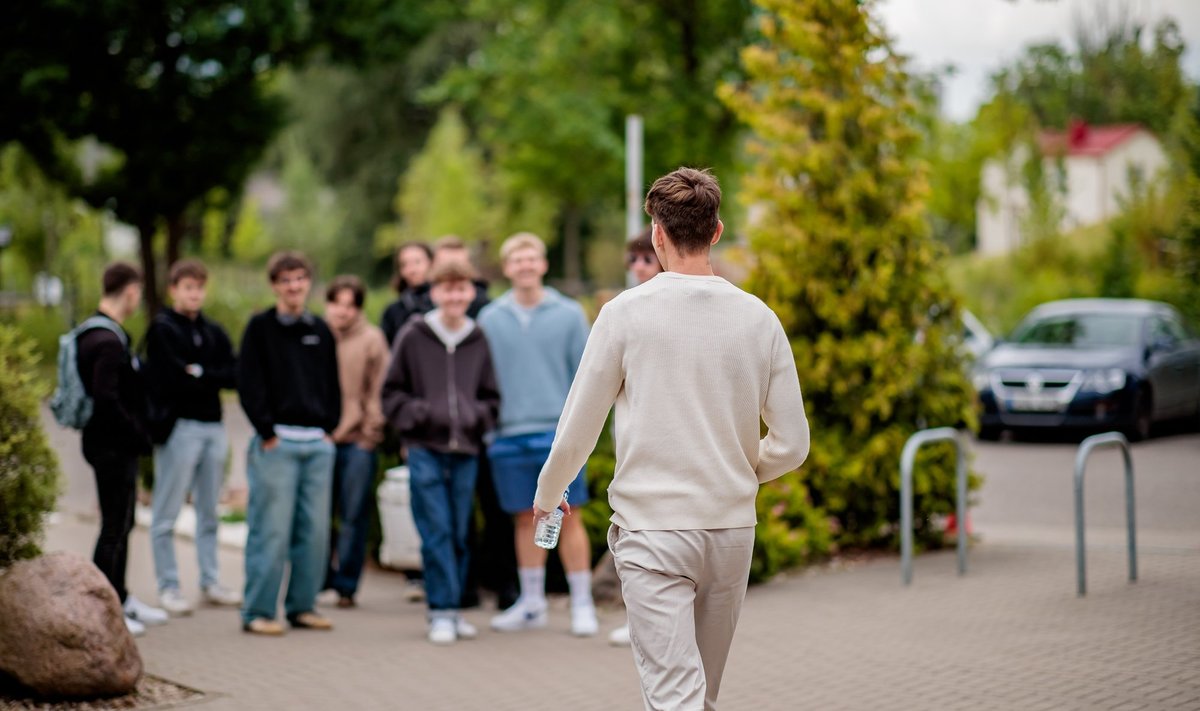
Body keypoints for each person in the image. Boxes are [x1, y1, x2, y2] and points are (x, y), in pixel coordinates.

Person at [532, 168, 810, 710]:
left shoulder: (623, 314)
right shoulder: (760, 319)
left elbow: (576, 434)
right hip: (731, 529)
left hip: (653, 530)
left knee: (675, 698)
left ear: (656, 234)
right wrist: (735, 471)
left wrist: (547, 497)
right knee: (699, 697)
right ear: (717, 231)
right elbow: (793, 442)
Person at [478, 232, 598, 637]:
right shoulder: (490, 319)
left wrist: (577, 435)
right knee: (523, 521)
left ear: (543, 265)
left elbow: (586, 378)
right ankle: (532, 604)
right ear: (507, 267)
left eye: (532, 259)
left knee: (571, 516)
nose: (525, 266)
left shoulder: (569, 315)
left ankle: (582, 604)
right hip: (508, 435)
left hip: (558, 437)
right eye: (517, 260)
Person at [381, 260, 500, 644]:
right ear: (434, 293)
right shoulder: (414, 335)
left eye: (461, 288)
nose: (454, 296)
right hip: (424, 448)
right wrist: (420, 415)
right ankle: (441, 612)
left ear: (470, 292)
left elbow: (491, 397)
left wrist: (475, 418)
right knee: (436, 530)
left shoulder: (477, 336)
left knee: (461, 531)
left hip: (465, 448)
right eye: (446, 289)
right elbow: (391, 393)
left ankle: (454, 609)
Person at [237, 251, 341, 635]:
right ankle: (258, 611)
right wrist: (267, 432)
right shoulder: (260, 328)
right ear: (275, 285)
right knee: (272, 530)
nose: (293, 286)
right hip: (276, 445)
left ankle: (302, 606)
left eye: (299, 278)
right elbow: (247, 384)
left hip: (317, 444)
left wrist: (329, 428)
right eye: (285, 280)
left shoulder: (321, 330)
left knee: (314, 534)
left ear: (308, 283)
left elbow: (332, 384)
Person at [144, 259, 241, 617]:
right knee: (166, 512)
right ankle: (168, 585)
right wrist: (202, 376)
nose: (194, 293)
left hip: (213, 428)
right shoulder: (163, 330)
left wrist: (199, 372)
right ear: (174, 290)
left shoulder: (213, 331)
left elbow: (233, 374)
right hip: (179, 428)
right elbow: (170, 378)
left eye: (199, 287)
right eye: (188, 287)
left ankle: (211, 579)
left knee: (208, 510)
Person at [77, 262, 166, 636]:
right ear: (131, 291)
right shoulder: (108, 342)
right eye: (139, 292)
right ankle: (105, 610)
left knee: (123, 523)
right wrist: (138, 435)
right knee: (114, 527)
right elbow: (107, 399)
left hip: (109, 445)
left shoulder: (94, 332)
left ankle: (122, 598)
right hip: (112, 447)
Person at [606, 228, 664, 647]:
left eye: (646, 259)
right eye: (633, 261)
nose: (639, 268)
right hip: (629, 433)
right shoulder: (622, 310)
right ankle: (640, 619)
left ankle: (650, 622)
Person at [322, 275, 390, 608]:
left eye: (350, 305)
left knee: (353, 515)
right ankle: (319, 580)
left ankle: (347, 586)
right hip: (319, 440)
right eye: (336, 303)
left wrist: (370, 434)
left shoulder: (372, 339)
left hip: (357, 442)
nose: (342, 311)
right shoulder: (315, 334)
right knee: (317, 515)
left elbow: (380, 390)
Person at [381, 242, 434, 346]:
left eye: (417, 262)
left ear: (431, 262)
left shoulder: (445, 303)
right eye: (405, 264)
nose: (412, 270)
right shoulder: (393, 311)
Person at [431, 235, 490, 319]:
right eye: (446, 264)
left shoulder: (485, 307)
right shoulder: (416, 303)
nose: (453, 271)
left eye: (459, 265)